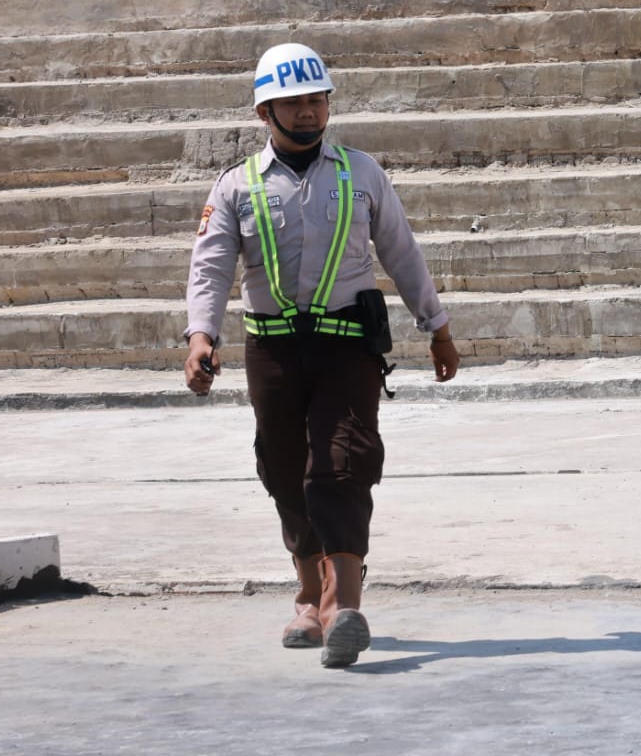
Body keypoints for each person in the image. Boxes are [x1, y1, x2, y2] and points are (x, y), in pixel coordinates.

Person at [184, 42, 461, 668]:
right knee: (284, 470)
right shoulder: (237, 186)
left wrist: (436, 327)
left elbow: (402, 251)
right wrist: (201, 335)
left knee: (342, 464)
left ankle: (345, 606)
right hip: (274, 350)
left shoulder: (361, 173)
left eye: (316, 100)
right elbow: (210, 266)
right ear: (265, 113)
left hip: (347, 346)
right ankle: (310, 592)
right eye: (293, 103)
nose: (308, 113)